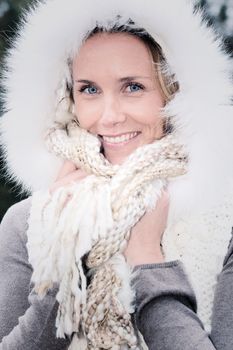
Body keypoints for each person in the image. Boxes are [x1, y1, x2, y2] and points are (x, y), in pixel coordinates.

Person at [0, 0, 233, 349]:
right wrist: (64, 253)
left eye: (133, 87)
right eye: (89, 89)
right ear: (67, 99)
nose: (109, 117)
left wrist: (147, 260)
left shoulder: (226, 220)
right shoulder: (28, 223)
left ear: (175, 93)